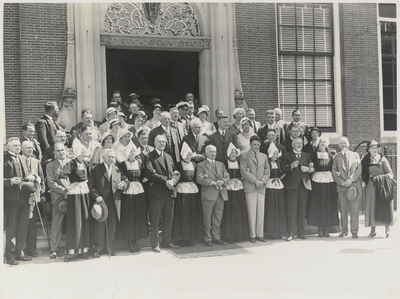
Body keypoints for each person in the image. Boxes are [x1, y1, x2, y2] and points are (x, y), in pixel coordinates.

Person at [144, 134, 181, 252]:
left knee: (168, 218)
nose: (162, 144)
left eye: (164, 142)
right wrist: (167, 181)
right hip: (157, 192)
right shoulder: (149, 156)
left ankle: (167, 241)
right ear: (155, 143)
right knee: (155, 219)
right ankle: (155, 244)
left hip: (169, 192)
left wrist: (174, 180)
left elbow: (175, 171)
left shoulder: (169, 157)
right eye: (160, 142)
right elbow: (150, 174)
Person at [89, 149, 127, 258]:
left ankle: (109, 248)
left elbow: (126, 181)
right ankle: (98, 249)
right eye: (109, 157)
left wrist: (123, 185)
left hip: (114, 202)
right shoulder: (96, 169)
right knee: (100, 225)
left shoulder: (118, 169)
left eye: (113, 157)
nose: (112, 159)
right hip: (101, 202)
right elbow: (91, 186)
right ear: (103, 157)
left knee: (112, 225)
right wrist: (97, 197)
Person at [61, 146, 91, 262]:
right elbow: (63, 176)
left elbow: (89, 177)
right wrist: (69, 186)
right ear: (77, 152)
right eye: (82, 152)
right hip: (74, 195)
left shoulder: (86, 164)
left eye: (85, 151)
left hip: (85, 193)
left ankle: (83, 250)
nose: (84, 153)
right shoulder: (71, 163)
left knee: (84, 220)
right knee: (75, 221)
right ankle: (70, 252)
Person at [3, 138, 31, 265]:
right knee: (11, 228)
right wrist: (9, 181)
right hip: (11, 199)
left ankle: (20, 252)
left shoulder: (23, 159)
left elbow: (27, 176)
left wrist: (32, 177)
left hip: (24, 198)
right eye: (15, 145)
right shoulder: (3, 159)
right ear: (8, 147)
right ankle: (10, 255)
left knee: (22, 227)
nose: (18, 147)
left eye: (19, 145)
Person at [281, 137, 314, 241]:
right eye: (297, 143)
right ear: (292, 144)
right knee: (291, 209)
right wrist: (291, 166)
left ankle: (301, 233)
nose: (299, 145)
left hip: (304, 185)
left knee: (302, 210)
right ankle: (290, 233)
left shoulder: (307, 155)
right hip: (292, 186)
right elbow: (282, 169)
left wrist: (309, 169)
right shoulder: (286, 155)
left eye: (301, 143)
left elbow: (313, 169)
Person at [196, 145, 230, 246]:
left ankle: (217, 237)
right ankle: (208, 238)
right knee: (207, 218)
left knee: (218, 218)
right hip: (208, 194)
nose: (213, 154)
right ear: (206, 153)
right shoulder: (201, 165)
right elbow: (199, 179)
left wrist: (222, 181)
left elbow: (227, 176)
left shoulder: (221, 164)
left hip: (220, 194)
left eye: (215, 152)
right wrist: (213, 183)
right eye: (211, 152)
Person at [307, 136, 339, 237]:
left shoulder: (331, 155)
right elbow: (311, 166)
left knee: (328, 204)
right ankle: (320, 228)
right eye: (321, 141)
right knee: (318, 204)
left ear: (327, 144)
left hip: (329, 181)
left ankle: (326, 228)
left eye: (324, 142)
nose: (322, 143)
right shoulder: (313, 155)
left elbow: (335, 166)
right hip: (317, 181)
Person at [240, 135, 270, 243]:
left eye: (258, 144)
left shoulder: (264, 156)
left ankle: (260, 234)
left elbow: (267, 170)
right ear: (250, 144)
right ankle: (252, 235)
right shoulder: (244, 156)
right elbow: (244, 171)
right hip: (250, 186)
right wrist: (255, 181)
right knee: (251, 211)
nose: (256, 146)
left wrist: (262, 181)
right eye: (254, 144)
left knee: (260, 211)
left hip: (261, 186)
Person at [172, 143, 203, 247]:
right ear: (182, 154)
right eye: (186, 154)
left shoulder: (194, 165)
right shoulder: (177, 165)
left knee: (191, 214)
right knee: (182, 215)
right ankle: (181, 238)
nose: (188, 156)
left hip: (192, 192)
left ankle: (190, 237)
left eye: (190, 155)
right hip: (182, 192)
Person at [361, 140, 394, 238]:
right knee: (372, 206)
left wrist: (379, 178)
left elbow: (390, 174)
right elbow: (363, 172)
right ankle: (373, 230)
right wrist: (363, 180)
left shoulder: (383, 160)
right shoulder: (365, 160)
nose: (375, 150)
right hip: (371, 187)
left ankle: (387, 229)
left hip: (382, 186)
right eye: (372, 148)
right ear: (368, 150)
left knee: (384, 206)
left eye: (376, 148)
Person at [332, 137, 362, 238]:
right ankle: (344, 230)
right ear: (339, 145)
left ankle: (354, 231)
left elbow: (359, 169)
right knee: (343, 209)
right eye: (341, 143)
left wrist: (351, 180)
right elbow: (334, 171)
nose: (343, 145)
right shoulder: (336, 157)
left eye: (345, 143)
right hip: (342, 187)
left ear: (348, 144)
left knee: (354, 209)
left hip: (353, 186)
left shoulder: (355, 155)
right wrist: (342, 182)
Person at [119, 147, 149, 252]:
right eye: (131, 151)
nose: (133, 153)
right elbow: (121, 176)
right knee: (129, 216)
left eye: (134, 151)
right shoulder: (122, 164)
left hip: (138, 191)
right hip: (128, 192)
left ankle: (135, 240)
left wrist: (146, 178)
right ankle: (129, 241)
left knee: (137, 216)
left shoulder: (140, 163)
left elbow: (145, 174)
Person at [21, 141, 45, 258]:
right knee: (21, 223)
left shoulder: (36, 161)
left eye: (32, 148)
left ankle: (31, 249)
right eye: (28, 148)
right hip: (21, 197)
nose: (30, 149)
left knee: (32, 224)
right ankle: (20, 249)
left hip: (34, 197)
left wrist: (41, 190)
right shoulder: (19, 159)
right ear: (22, 148)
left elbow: (41, 176)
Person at [221, 143, 249, 243]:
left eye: (235, 152)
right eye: (231, 152)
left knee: (239, 209)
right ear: (228, 153)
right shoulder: (224, 163)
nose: (233, 154)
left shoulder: (240, 162)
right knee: (229, 210)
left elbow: (243, 174)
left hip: (239, 188)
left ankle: (239, 234)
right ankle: (230, 235)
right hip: (229, 188)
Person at [46, 143, 70, 259]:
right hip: (58, 198)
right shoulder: (50, 165)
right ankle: (54, 249)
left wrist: (71, 190)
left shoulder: (72, 163)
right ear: (54, 153)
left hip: (73, 196)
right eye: (58, 151)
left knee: (73, 222)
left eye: (62, 150)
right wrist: (64, 191)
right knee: (56, 224)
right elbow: (51, 182)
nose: (61, 152)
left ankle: (72, 248)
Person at [264, 143, 287, 240]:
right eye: (274, 154)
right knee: (271, 208)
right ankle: (270, 232)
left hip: (278, 185)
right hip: (269, 186)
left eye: (276, 154)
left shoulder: (279, 163)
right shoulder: (267, 163)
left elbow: (281, 173)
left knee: (279, 208)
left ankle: (279, 232)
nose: (275, 156)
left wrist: (282, 176)